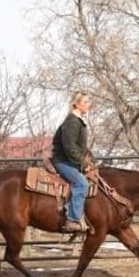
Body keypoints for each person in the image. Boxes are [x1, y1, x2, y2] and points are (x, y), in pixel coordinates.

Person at [51, 90, 92, 232]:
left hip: (70, 160)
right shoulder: (71, 122)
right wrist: (82, 164)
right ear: (76, 104)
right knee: (81, 183)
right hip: (62, 161)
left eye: (88, 102)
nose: (89, 105)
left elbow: (79, 147)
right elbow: (70, 147)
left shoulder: (78, 121)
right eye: (86, 102)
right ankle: (72, 219)